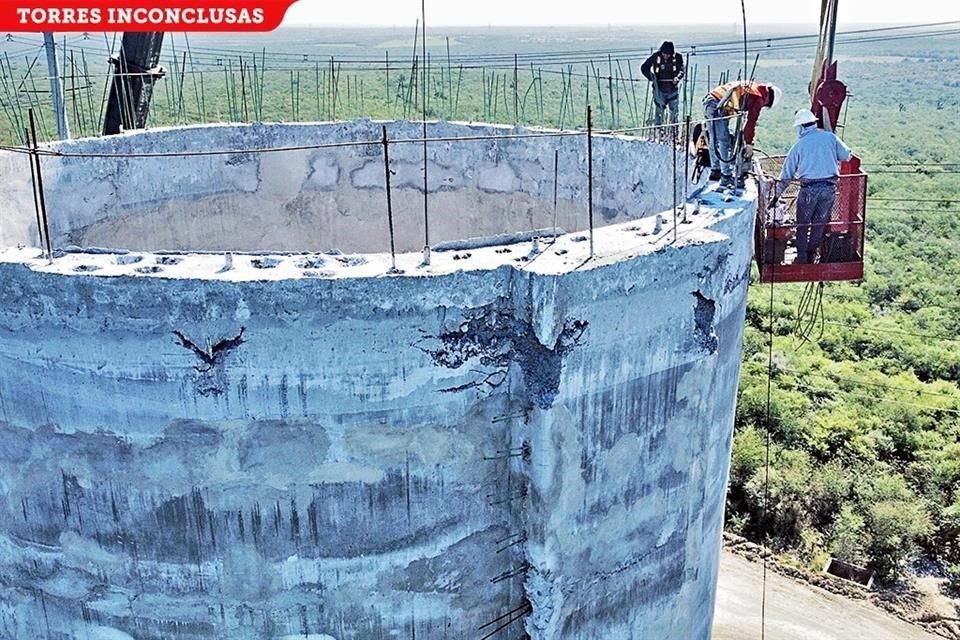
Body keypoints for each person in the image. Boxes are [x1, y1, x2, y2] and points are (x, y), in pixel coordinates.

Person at [772, 108, 853, 264]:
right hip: (829, 189)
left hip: (809, 190)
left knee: (803, 225)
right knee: (819, 224)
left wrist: (776, 196)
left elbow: (786, 175)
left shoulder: (798, 146)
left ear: (801, 127)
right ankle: (811, 255)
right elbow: (847, 156)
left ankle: (802, 258)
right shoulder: (830, 138)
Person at [702, 80, 781, 188]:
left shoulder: (753, 87)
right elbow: (750, 123)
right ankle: (726, 176)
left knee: (714, 139)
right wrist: (749, 143)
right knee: (723, 141)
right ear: (769, 100)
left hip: (709, 101)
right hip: (718, 105)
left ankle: (716, 170)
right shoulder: (758, 98)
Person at [641, 41, 684, 130]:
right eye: (664, 54)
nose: (666, 56)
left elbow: (682, 70)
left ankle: (674, 132)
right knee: (659, 112)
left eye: (668, 54)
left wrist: (677, 78)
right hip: (659, 89)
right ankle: (659, 131)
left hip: (672, 89)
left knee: (674, 112)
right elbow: (644, 67)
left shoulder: (677, 57)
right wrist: (652, 78)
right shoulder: (656, 56)